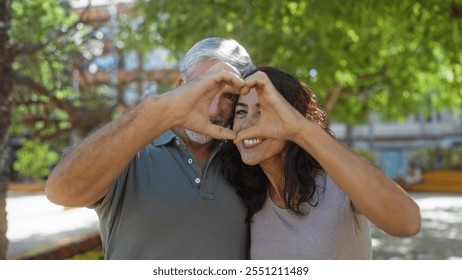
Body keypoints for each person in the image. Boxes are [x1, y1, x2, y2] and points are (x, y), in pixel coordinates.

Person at [45, 38, 256, 259]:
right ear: (180, 85)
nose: (215, 110)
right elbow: (61, 191)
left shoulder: (246, 157)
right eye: (205, 88)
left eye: (229, 97)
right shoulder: (130, 149)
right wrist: (156, 109)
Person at [220, 67, 421, 259]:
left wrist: (301, 131)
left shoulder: (336, 181)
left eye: (262, 111)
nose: (247, 124)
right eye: (241, 112)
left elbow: (408, 222)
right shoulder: (247, 196)